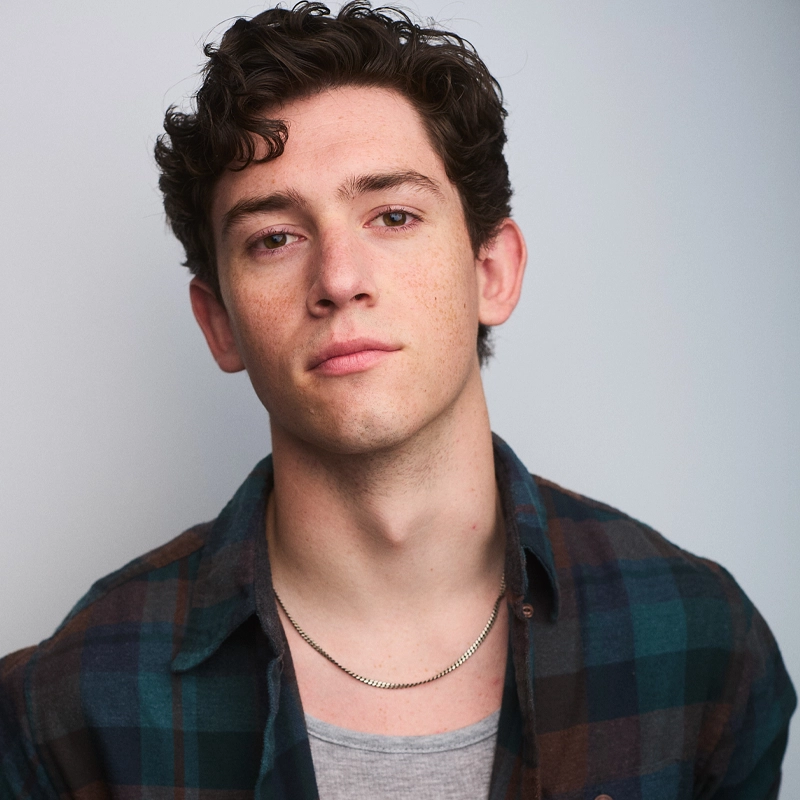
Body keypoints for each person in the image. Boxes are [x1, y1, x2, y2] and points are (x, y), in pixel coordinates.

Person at [0, 2, 795, 797]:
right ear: (220, 324)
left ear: (492, 271)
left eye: (393, 215)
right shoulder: (69, 704)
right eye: (275, 237)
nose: (340, 278)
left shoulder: (701, 645)